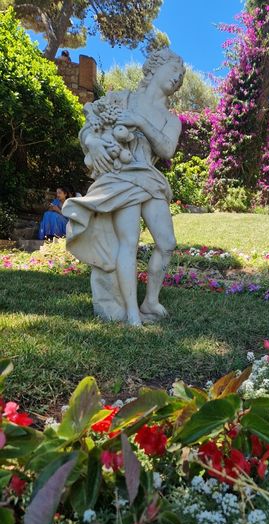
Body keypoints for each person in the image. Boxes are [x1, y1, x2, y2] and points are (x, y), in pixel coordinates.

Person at [63, 48, 185, 326]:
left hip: (150, 178)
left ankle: (150, 301)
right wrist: (93, 143)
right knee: (128, 243)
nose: (178, 77)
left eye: (181, 75)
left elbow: (166, 150)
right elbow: (89, 125)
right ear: (154, 68)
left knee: (167, 243)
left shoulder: (171, 120)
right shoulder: (123, 98)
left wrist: (140, 121)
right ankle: (131, 314)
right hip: (122, 177)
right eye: (173, 70)